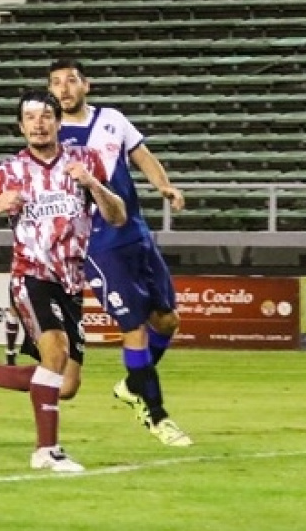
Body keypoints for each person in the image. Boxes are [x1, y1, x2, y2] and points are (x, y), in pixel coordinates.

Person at [0, 90, 126, 472]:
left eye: (45, 116)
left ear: (57, 121)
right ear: (21, 126)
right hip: (31, 275)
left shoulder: (85, 161)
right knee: (54, 356)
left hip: (71, 281)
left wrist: (93, 185)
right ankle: (47, 451)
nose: (38, 123)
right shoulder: (6, 172)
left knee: (66, 384)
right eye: (30, 117)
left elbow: (117, 216)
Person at [48, 59, 192, 447]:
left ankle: (133, 385)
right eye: (56, 83)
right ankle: (156, 414)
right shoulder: (53, 135)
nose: (64, 89)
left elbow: (142, 156)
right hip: (97, 241)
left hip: (135, 232)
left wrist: (165, 186)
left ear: (86, 86)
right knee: (134, 328)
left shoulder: (112, 119)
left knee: (167, 320)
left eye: (71, 81)